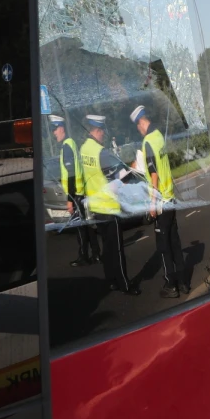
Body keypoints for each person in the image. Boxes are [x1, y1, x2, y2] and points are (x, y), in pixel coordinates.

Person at [132, 106, 187, 298]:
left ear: (140, 122)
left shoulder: (147, 142)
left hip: (161, 202)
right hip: (170, 197)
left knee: (164, 247)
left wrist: (153, 205)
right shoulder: (158, 136)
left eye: (137, 127)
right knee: (175, 241)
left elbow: (153, 174)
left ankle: (171, 285)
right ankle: (183, 282)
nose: (139, 131)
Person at [80, 115, 137, 295]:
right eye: (103, 131)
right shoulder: (102, 152)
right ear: (97, 130)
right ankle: (124, 283)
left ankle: (110, 280)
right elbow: (123, 176)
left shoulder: (84, 149)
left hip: (96, 207)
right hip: (109, 207)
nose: (104, 135)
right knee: (117, 249)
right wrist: (135, 168)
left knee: (106, 246)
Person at [52, 114, 101, 267]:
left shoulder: (67, 146)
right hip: (80, 192)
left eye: (55, 130)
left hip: (75, 195)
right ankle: (96, 254)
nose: (54, 134)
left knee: (80, 228)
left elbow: (71, 174)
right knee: (86, 225)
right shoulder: (72, 143)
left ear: (61, 129)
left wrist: (69, 199)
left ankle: (83, 256)